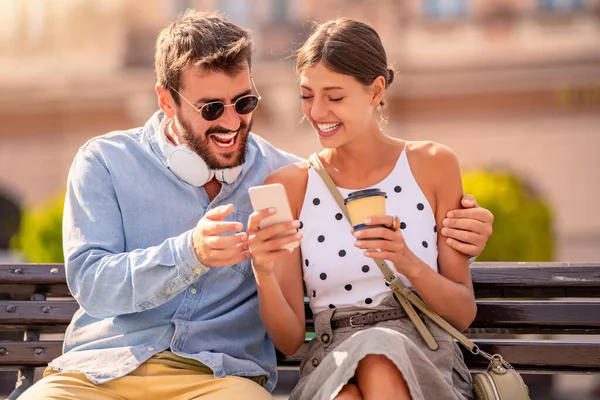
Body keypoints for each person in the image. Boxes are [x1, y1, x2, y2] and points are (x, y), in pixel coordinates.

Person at [19, 11, 492, 400]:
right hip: (98, 372)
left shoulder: (280, 177)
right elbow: (91, 284)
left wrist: (465, 227)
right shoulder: (104, 161)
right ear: (167, 99)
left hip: (218, 379)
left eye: (244, 102)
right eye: (211, 109)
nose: (232, 121)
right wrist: (193, 254)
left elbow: (447, 273)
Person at [248, 18, 483, 400]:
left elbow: (462, 312)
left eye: (334, 97)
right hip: (330, 359)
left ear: (375, 90)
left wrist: (405, 260)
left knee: (377, 358)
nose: (317, 111)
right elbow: (289, 340)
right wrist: (263, 270)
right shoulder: (288, 187)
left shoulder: (433, 164)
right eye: (307, 95)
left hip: (424, 352)